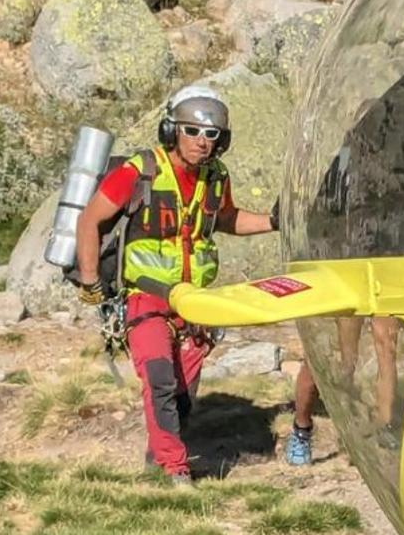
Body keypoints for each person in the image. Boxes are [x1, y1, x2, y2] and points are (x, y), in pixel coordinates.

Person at [74, 85, 277, 484]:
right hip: (145, 294)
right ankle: (174, 468)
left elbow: (227, 218)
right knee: (159, 378)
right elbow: (89, 220)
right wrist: (90, 279)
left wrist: (273, 221)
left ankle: (160, 456)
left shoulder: (216, 178)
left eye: (212, 135)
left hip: (195, 302)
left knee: (183, 392)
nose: (202, 142)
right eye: (192, 131)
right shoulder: (139, 170)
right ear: (172, 131)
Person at [286, 316, 401, 466]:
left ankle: (385, 424)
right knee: (329, 356)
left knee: (387, 346)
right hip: (350, 294)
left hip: (381, 293)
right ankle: (301, 429)